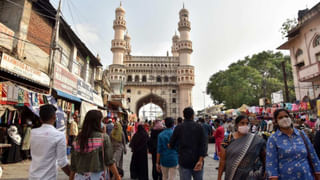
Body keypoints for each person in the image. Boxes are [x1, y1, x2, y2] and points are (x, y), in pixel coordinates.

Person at [266, 109, 320, 180]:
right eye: (280, 118)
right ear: (276, 122)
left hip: (306, 176)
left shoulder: (301, 134)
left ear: (290, 118)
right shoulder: (273, 139)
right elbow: (271, 163)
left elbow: (313, 155)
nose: (284, 119)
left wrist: (318, 172)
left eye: (286, 116)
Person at [70, 110, 121, 180]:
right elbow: (109, 161)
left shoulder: (77, 139)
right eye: (101, 121)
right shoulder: (104, 138)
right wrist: (117, 176)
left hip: (80, 177)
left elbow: (73, 165)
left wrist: (71, 178)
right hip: (97, 177)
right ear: (97, 122)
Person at [29, 104, 71, 179]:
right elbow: (62, 162)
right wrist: (73, 175)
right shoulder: (59, 135)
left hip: (33, 176)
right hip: (48, 177)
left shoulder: (33, 132)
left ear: (40, 119)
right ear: (54, 117)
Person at [217, 115, 266, 180]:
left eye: (247, 123)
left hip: (250, 176)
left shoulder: (256, 140)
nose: (245, 125)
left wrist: (265, 172)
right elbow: (222, 160)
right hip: (231, 175)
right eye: (242, 123)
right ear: (236, 125)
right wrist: (219, 177)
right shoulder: (228, 139)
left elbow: (264, 158)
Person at [169, 107, 206, 180]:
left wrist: (176, 148)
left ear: (183, 116)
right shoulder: (199, 127)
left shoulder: (178, 127)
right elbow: (203, 145)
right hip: (197, 161)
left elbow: (171, 144)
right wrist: (200, 160)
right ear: (193, 115)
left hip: (184, 161)